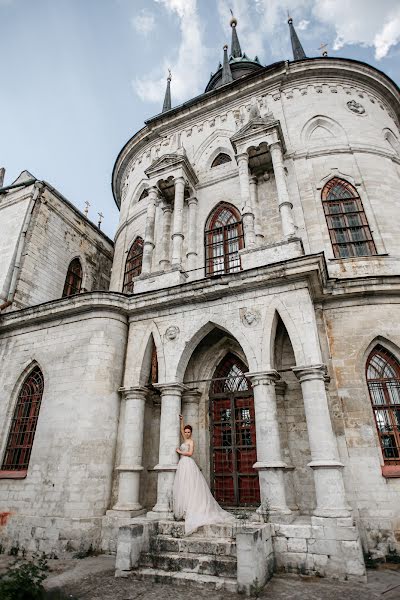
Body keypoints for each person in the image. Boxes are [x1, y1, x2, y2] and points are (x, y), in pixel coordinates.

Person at [173, 414, 235, 535]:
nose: (186, 433)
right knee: (184, 486)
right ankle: (185, 510)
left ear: (191, 433)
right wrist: (182, 420)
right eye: (185, 432)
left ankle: (192, 510)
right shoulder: (185, 439)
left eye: (188, 432)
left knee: (191, 485)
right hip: (182, 464)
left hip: (188, 463)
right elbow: (181, 429)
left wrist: (180, 451)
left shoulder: (191, 441)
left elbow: (190, 453)